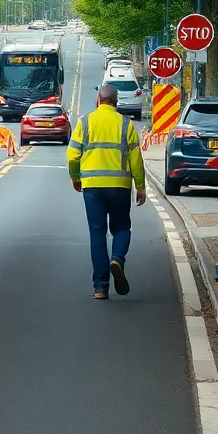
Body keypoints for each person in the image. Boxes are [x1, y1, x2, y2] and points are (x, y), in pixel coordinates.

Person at [66, 83, 146, 299]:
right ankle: (117, 258)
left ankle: (101, 287)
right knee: (121, 228)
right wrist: (140, 186)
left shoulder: (85, 122)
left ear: (98, 100)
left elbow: (72, 155)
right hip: (119, 187)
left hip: (92, 187)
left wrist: (75, 177)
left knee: (97, 233)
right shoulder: (126, 124)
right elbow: (136, 160)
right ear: (116, 102)